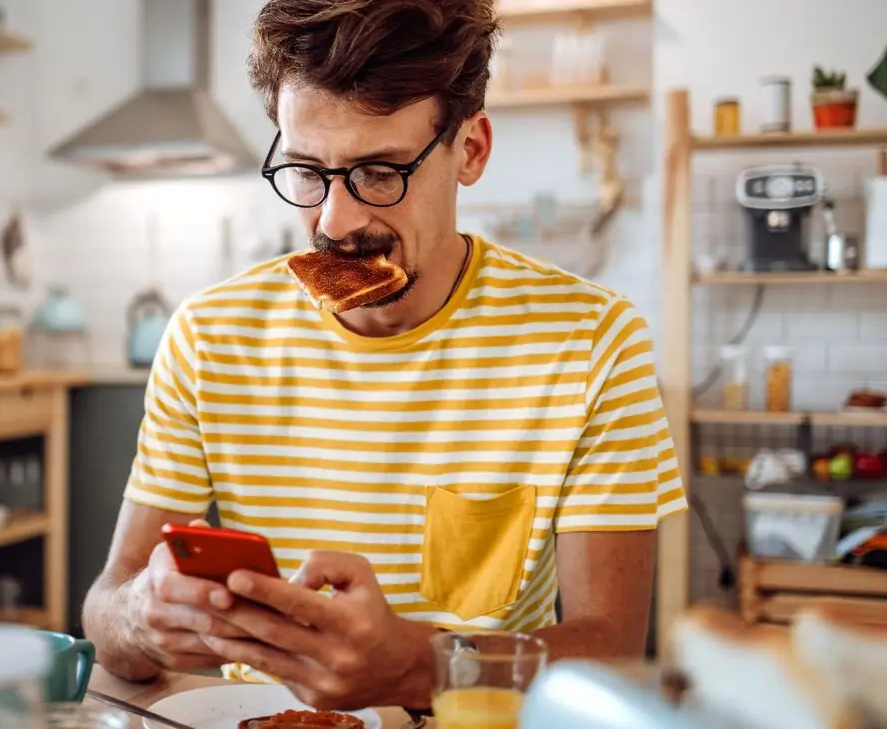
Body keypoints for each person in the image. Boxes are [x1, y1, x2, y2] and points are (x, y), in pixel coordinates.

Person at [81, 0, 687, 712]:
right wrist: (142, 617)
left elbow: (611, 649)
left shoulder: (592, 340)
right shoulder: (210, 336)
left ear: (471, 150)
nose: (335, 222)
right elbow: (105, 605)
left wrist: (419, 665)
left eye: (379, 172)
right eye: (306, 171)